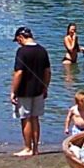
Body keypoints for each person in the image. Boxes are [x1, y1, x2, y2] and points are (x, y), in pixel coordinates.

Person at [12, 27, 51, 156]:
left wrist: (13, 91)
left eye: (18, 40)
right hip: (39, 89)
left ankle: (27, 148)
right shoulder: (42, 50)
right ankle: (35, 148)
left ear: (20, 37)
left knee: (25, 118)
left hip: (24, 90)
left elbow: (19, 72)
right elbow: (48, 72)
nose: (18, 43)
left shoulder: (22, 52)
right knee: (35, 118)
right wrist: (45, 87)